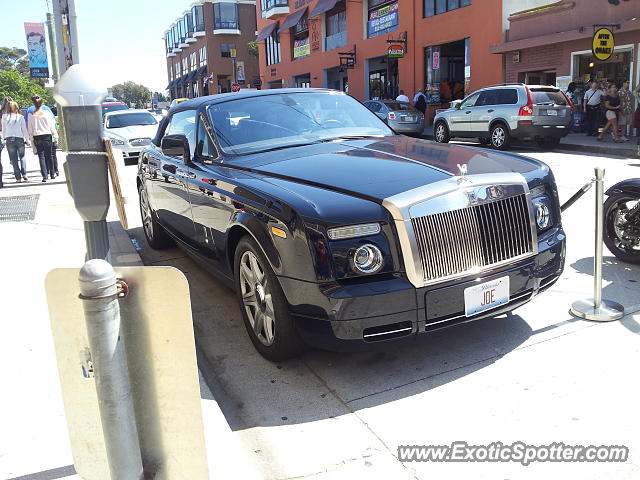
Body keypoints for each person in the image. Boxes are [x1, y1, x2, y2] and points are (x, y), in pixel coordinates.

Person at [26, 95, 58, 176]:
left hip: (37, 136)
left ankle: (44, 175)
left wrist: (30, 138)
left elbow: (30, 128)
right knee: (49, 155)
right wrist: (55, 136)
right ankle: (52, 173)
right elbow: (51, 126)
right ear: (41, 103)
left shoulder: (31, 114)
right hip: (47, 135)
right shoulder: (47, 113)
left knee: (41, 156)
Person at [1, 101, 31, 184]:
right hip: (19, 138)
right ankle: (24, 173)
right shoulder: (20, 117)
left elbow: (3, 129)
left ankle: (18, 178)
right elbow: (24, 129)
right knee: (22, 156)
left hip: (9, 139)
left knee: (14, 159)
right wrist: (27, 140)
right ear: (16, 107)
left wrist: (3, 139)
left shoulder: (4, 117)